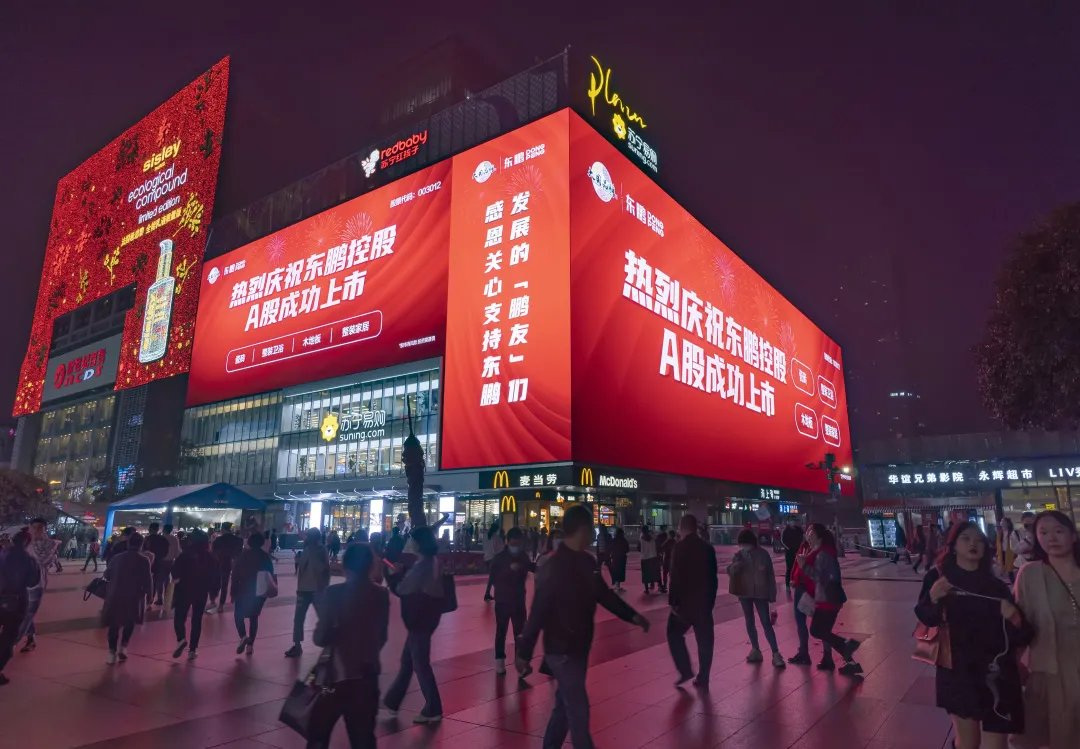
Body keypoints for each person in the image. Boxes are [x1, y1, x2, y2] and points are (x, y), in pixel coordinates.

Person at [515, 505, 649, 749]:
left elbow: (604, 595)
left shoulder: (587, 562)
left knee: (564, 706)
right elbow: (539, 609)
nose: (593, 535)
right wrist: (524, 651)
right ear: (582, 529)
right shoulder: (554, 566)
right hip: (561, 647)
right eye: (591, 529)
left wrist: (633, 616)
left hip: (579, 645)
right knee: (578, 710)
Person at [915, 520, 1032, 749]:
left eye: (979, 540)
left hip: (997, 673)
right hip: (959, 671)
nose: (973, 544)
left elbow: (1023, 634)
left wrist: (1015, 618)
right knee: (967, 742)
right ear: (954, 545)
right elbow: (926, 617)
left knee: (996, 744)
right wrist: (933, 598)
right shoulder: (939, 578)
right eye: (966, 539)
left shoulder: (996, 586)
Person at [306, 543, 390, 749]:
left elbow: (320, 638)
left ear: (345, 566)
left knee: (318, 735)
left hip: (334, 677)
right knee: (363, 738)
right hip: (366, 674)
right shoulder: (381, 595)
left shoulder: (333, 593)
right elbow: (382, 636)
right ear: (371, 565)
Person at [1012, 510, 1080, 749]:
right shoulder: (1030, 574)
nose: (1051, 537)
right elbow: (1020, 624)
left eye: (1059, 531)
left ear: (1073, 535)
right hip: (1049, 673)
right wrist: (1014, 662)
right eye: (1043, 532)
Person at [384, 526, 445, 723]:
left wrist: (393, 576)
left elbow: (403, 589)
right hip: (428, 617)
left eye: (412, 540)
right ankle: (392, 701)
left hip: (420, 619)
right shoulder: (433, 561)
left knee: (419, 663)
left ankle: (433, 707)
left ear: (419, 544)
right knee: (408, 661)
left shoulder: (422, 565)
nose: (409, 543)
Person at [796, 523, 863, 675]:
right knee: (824, 632)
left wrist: (803, 566)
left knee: (816, 630)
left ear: (819, 538)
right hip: (830, 599)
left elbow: (819, 576)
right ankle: (851, 662)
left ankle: (847, 645)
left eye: (811, 537)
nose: (809, 540)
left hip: (827, 600)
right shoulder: (825, 552)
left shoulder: (823, 554)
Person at [668, 514, 718, 687]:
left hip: (685, 604)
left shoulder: (679, 548)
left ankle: (685, 670)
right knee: (705, 640)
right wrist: (710, 602)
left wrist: (673, 602)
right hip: (704, 603)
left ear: (682, 527)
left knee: (674, 633)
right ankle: (703, 676)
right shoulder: (708, 548)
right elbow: (714, 578)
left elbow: (675, 577)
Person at [728, 529, 784, 667]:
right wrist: (736, 566)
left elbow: (770, 576)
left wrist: (772, 597)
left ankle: (776, 653)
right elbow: (730, 571)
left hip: (761, 594)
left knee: (766, 622)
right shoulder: (740, 555)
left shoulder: (763, 555)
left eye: (745, 543)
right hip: (745, 593)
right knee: (749, 620)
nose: (743, 546)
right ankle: (755, 649)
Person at [487, 527, 535, 674]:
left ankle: (519, 663)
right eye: (513, 544)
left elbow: (532, 568)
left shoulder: (523, 557)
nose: (516, 548)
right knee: (501, 632)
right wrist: (508, 572)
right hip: (502, 601)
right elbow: (493, 577)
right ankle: (499, 660)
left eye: (518, 545)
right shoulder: (499, 558)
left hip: (519, 601)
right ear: (507, 542)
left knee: (519, 633)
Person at [102, 533, 153, 664]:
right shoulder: (144, 560)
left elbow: (107, 575)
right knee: (130, 622)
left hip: (115, 594)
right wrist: (150, 596)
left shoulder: (117, 558)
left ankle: (111, 653)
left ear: (128, 543)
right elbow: (147, 580)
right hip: (134, 596)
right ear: (141, 544)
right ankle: (123, 646)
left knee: (114, 624)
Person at [170, 530, 219, 660]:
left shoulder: (184, 556)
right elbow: (215, 576)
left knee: (180, 617)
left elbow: (175, 573)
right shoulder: (210, 557)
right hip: (201, 592)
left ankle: (181, 638)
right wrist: (213, 593)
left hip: (183, 590)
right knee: (196, 620)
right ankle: (193, 650)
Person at [0, 530, 41, 685]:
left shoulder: (2, 554)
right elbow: (33, 582)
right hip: (15, 602)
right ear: (26, 542)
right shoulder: (28, 560)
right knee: (9, 637)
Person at [286, 528, 330, 658]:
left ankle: (329, 644)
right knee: (298, 618)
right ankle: (297, 645)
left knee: (323, 617)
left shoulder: (321, 550)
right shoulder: (307, 550)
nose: (308, 538)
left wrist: (324, 586)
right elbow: (302, 571)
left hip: (317, 589)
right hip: (305, 589)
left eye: (309, 536)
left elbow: (325, 569)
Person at [232, 532, 276, 656]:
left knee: (238, 614)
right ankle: (250, 645)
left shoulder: (243, 556)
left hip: (243, 588)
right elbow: (270, 572)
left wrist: (233, 590)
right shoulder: (264, 556)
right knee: (254, 617)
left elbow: (235, 573)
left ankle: (243, 636)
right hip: (260, 589)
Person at [19, 518, 57, 653]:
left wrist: (35, 541)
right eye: (34, 527)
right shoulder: (27, 542)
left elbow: (43, 560)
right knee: (23, 612)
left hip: (37, 584)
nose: (36, 530)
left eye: (40, 528)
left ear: (45, 529)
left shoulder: (50, 543)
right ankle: (30, 638)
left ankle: (11, 643)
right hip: (22, 583)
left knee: (26, 614)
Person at [208, 523, 243, 614]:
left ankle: (212, 600)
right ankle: (221, 605)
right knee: (225, 584)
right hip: (230, 563)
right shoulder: (238, 540)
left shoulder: (219, 540)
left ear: (223, 529)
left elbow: (213, 552)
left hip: (218, 563)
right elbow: (239, 553)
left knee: (215, 582)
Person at [144, 523, 171, 607]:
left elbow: (145, 550)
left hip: (149, 564)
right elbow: (167, 550)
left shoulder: (148, 539)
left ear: (150, 529)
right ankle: (158, 598)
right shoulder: (163, 539)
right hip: (160, 563)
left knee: (150, 582)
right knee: (158, 582)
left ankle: (149, 601)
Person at [482, 522, 503, 601]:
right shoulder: (496, 538)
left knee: (492, 577)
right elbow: (499, 549)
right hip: (494, 559)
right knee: (494, 577)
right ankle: (498, 592)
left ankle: (488, 593)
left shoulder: (486, 537)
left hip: (487, 558)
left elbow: (484, 547)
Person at [781, 523, 804, 590]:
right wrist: (788, 548)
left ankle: (797, 583)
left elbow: (802, 538)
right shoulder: (786, 530)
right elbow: (783, 540)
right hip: (790, 551)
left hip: (797, 551)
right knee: (789, 568)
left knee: (798, 568)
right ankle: (788, 585)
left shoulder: (799, 529)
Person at [609, 528, 630, 592]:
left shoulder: (613, 540)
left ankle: (616, 585)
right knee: (621, 571)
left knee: (615, 571)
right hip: (622, 558)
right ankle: (618, 585)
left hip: (615, 558)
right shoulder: (624, 540)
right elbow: (627, 549)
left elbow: (610, 548)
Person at [639, 527, 660, 593]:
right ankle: (655, 584)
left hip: (644, 557)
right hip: (653, 556)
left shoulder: (641, 539)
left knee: (645, 574)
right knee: (654, 572)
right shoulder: (653, 538)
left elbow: (638, 548)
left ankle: (647, 589)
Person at [656, 527, 673, 594]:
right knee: (671, 575)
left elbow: (662, 548)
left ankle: (665, 586)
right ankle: (672, 587)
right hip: (673, 560)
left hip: (667, 559)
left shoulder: (668, 542)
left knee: (665, 574)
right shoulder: (675, 541)